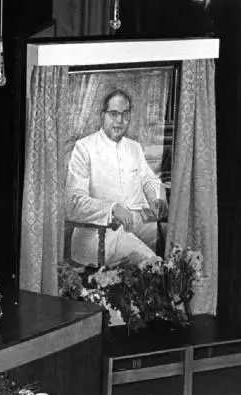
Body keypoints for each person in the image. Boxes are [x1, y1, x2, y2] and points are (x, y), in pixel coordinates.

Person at [65, 89, 169, 267]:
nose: (120, 121)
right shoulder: (84, 148)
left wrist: (157, 198)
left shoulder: (134, 147)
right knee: (153, 265)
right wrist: (112, 208)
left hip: (136, 221)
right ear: (102, 115)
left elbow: (148, 180)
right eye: (114, 114)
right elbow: (74, 203)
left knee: (174, 240)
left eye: (125, 114)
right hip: (101, 233)